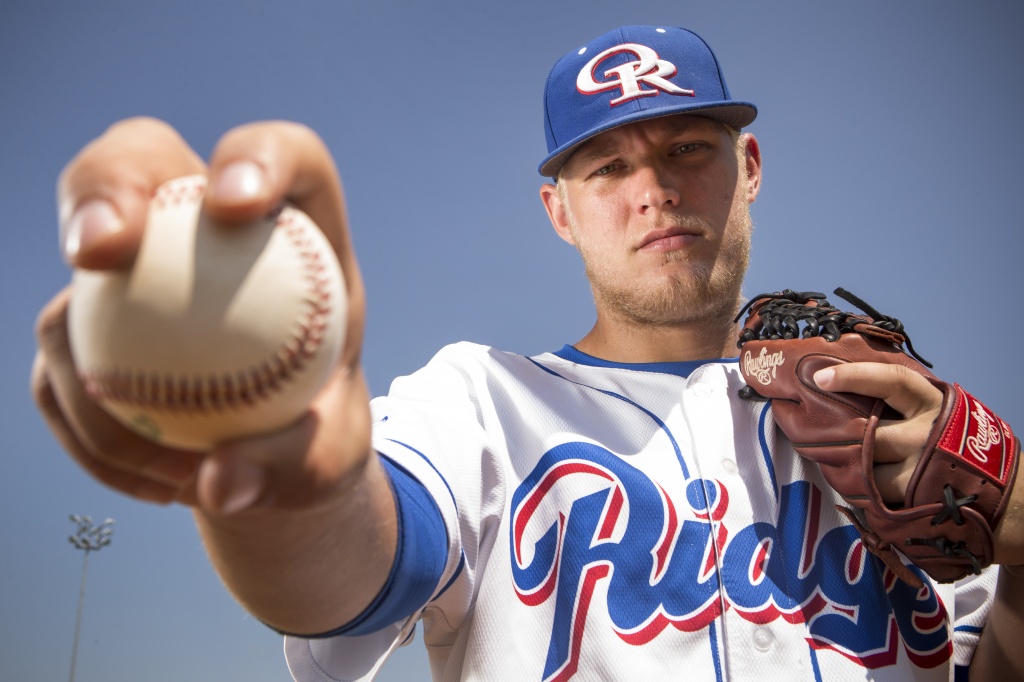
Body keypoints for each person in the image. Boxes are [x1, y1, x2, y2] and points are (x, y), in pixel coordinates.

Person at [32, 24, 1024, 681]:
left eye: (688, 149)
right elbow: (345, 572)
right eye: (610, 165)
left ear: (747, 166)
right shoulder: (476, 404)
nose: (655, 189)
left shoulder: (894, 423)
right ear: (559, 210)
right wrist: (282, 466)